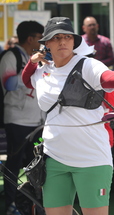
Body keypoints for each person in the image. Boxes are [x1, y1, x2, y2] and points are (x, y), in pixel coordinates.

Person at [21, 17, 114, 215]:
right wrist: (31, 62)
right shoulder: (42, 71)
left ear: (74, 41)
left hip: (91, 158)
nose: (62, 42)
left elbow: (109, 77)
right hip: (54, 157)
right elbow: (27, 81)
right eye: (56, 38)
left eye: (66, 37)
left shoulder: (89, 65)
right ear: (47, 44)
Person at [0, 21, 45, 215]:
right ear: (30, 39)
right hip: (17, 119)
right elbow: (9, 83)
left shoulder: (35, 57)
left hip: (37, 120)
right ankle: (11, 204)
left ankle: (33, 203)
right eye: (40, 38)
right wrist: (31, 70)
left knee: (37, 164)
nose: (42, 42)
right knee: (14, 163)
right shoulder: (11, 56)